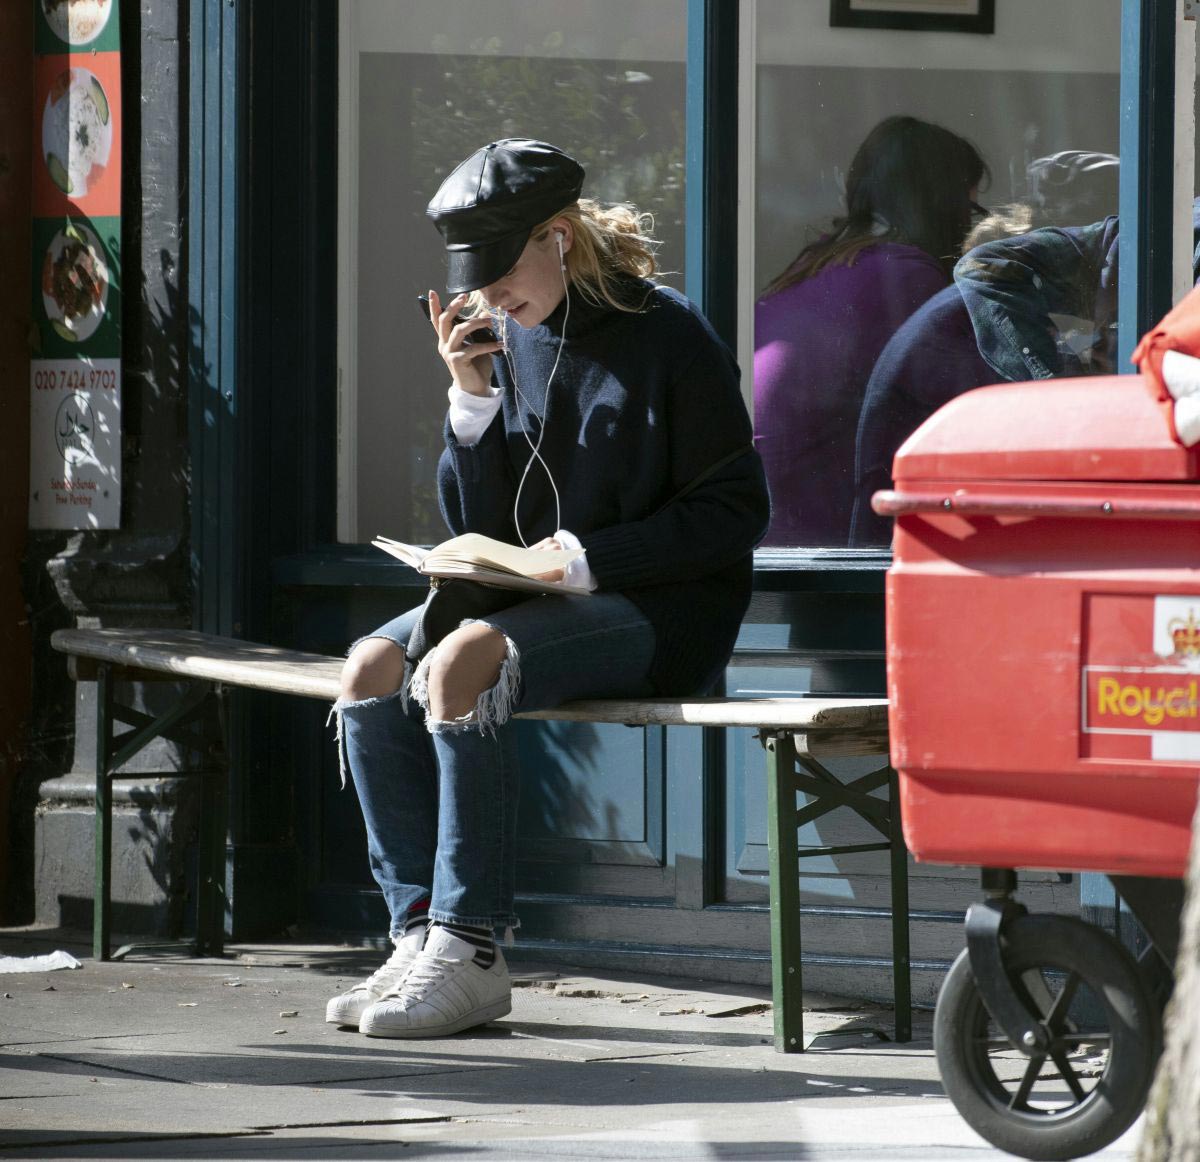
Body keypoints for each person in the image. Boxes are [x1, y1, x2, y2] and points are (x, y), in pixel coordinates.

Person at [325, 139, 770, 1039]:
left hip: (667, 612)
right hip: (549, 601)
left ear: (559, 237)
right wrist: (472, 399)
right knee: (371, 663)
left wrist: (584, 560)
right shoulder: (516, 336)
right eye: (473, 277)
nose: (487, 297)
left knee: (461, 663)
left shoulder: (668, 334)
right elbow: (489, 522)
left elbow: (733, 513)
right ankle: (417, 932)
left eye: (499, 271)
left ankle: (473, 949)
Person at [753, 115, 988, 546]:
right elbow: (976, 405)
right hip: (829, 536)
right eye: (970, 210)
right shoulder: (903, 275)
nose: (972, 228)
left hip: (769, 525)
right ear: (943, 203)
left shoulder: (819, 262)